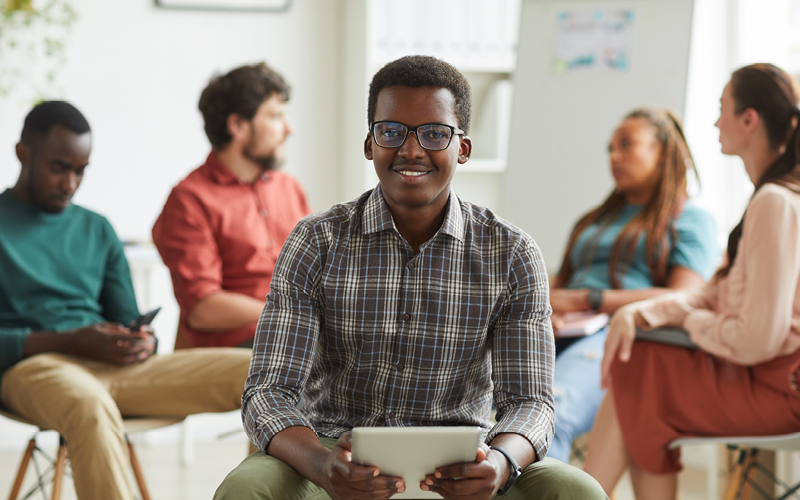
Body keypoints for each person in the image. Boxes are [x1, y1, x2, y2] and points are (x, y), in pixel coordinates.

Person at [214, 55, 607, 500]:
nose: (411, 150)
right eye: (392, 131)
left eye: (435, 133)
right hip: (334, 455)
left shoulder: (511, 253)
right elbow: (268, 392)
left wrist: (499, 463)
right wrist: (323, 466)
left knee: (577, 490)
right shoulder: (316, 241)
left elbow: (531, 403)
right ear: (370, 143)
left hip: (465, 463)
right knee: (247, 488)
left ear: (462, 148)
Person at [0, 101, 252, 500]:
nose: (70, 183)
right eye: (58, 167)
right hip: (36, 368)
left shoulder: (96, 228)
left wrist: (141, 340)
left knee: (265, 369)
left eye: (80, 171)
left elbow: (128, 318)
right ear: (22, 153)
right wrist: (71, 341)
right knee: (88, 405)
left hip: (115, 369)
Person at [583, 63, 800, 499]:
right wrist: (645, 311)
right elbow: (715, 295)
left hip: (782, 390)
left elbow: (758, 338)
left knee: (637, 367)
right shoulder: (770, 197)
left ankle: (582, 493)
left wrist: (687, 325)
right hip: (765, 376)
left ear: (749, 119)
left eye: (722, 109)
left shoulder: (776, 203)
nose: (716, 121)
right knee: (639, 368)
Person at [545, 109, 718, 463]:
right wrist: (544, 309)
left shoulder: (691, 220)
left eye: (627, 145)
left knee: (551, 416)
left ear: (663, 152)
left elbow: (684, 297)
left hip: (621, 337)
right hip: (557, 332)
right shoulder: (593, 220)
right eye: (610, 148)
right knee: (485, 416)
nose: (614, 156)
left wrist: (587, 300)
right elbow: (560, 285)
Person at [152, 62, 312, 348]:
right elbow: (202, 308)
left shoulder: (289, 188)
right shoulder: (190, 199)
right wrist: (288, 313)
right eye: (276, 116)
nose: (289, 129)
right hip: (242, 346)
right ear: (238, 126)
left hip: (300, 334)